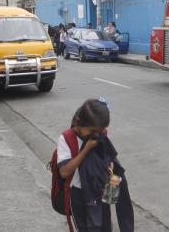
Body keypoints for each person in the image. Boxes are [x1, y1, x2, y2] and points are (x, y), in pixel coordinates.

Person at [57, 99, 134, 231]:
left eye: (100, 131)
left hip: (100, 190)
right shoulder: (67, 138)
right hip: (79, 195)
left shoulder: (99, 133)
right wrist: (86, 149)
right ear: (78, 121)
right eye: (93, 130)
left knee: (105, 227)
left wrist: (109, 167)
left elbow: (106, 156)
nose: (96, 134)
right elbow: (64, 172)